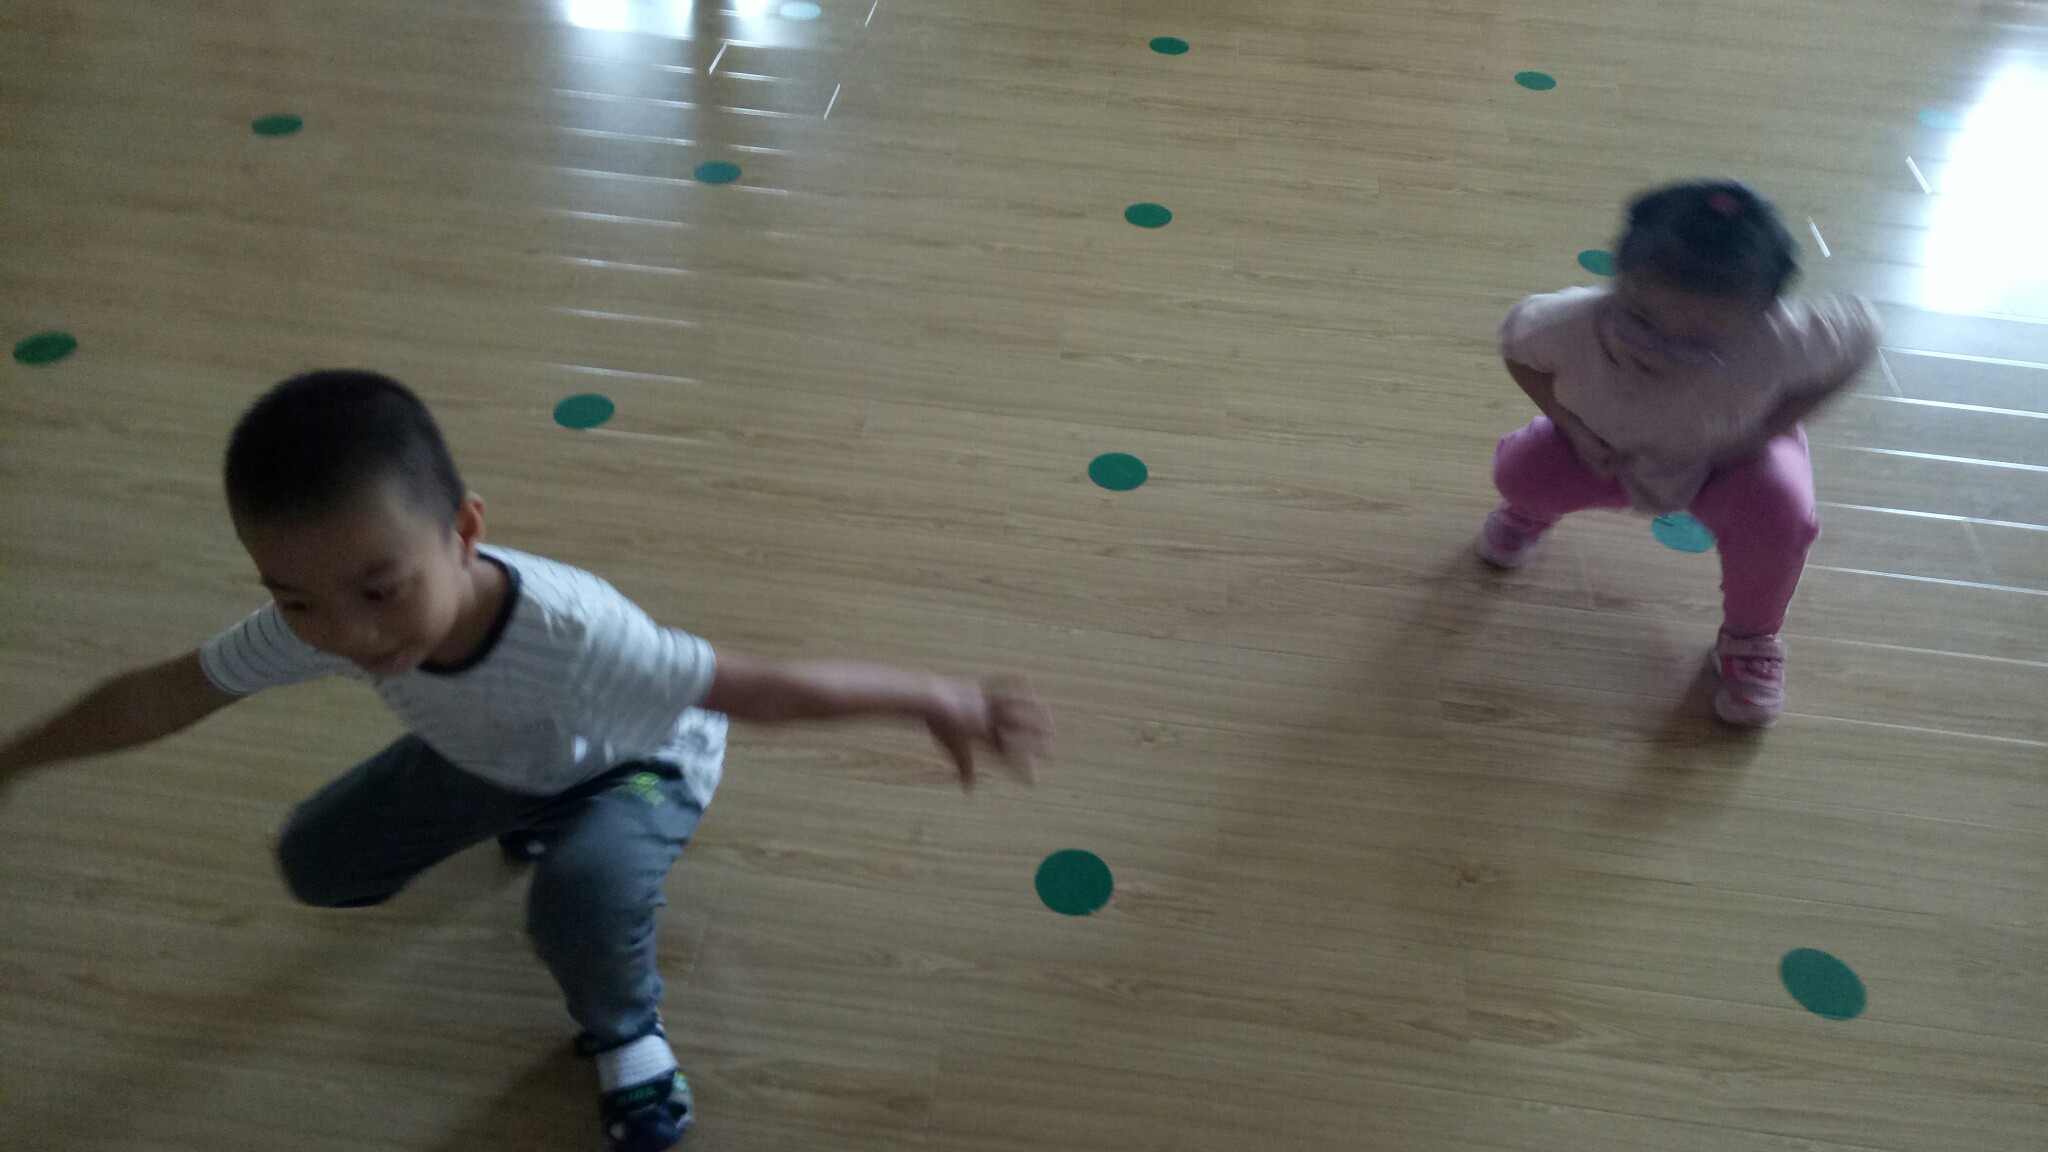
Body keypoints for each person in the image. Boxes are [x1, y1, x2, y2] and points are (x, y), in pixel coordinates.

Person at [0, 370, 1051, 1152]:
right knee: (314, 862)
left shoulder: (581, 639)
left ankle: (625, 1031)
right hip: (495, 754)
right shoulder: (323, 616)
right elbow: (162, 692)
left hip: (637, 759)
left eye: (380, 590)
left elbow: (756, 688)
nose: (351, 634)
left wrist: (932, 695)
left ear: (464, 533)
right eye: (297, 599)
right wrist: (17, 759)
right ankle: (539, 819)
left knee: (577, 900)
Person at [1477, 180, 1878, 726]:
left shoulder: (1786, 336)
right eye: (1642, 320)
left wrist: (1771, 428)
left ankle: (1751, 638)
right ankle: (1529, 513)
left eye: (1705, 339)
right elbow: (1517, 350)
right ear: (1617, 279)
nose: (1665, 347)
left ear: (1767, 312)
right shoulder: (1571, 322)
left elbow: (1861, 338)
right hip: (1605, 451)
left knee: (1780, 517)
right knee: (1522, 472)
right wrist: (1570, 426)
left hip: (1727, 462)